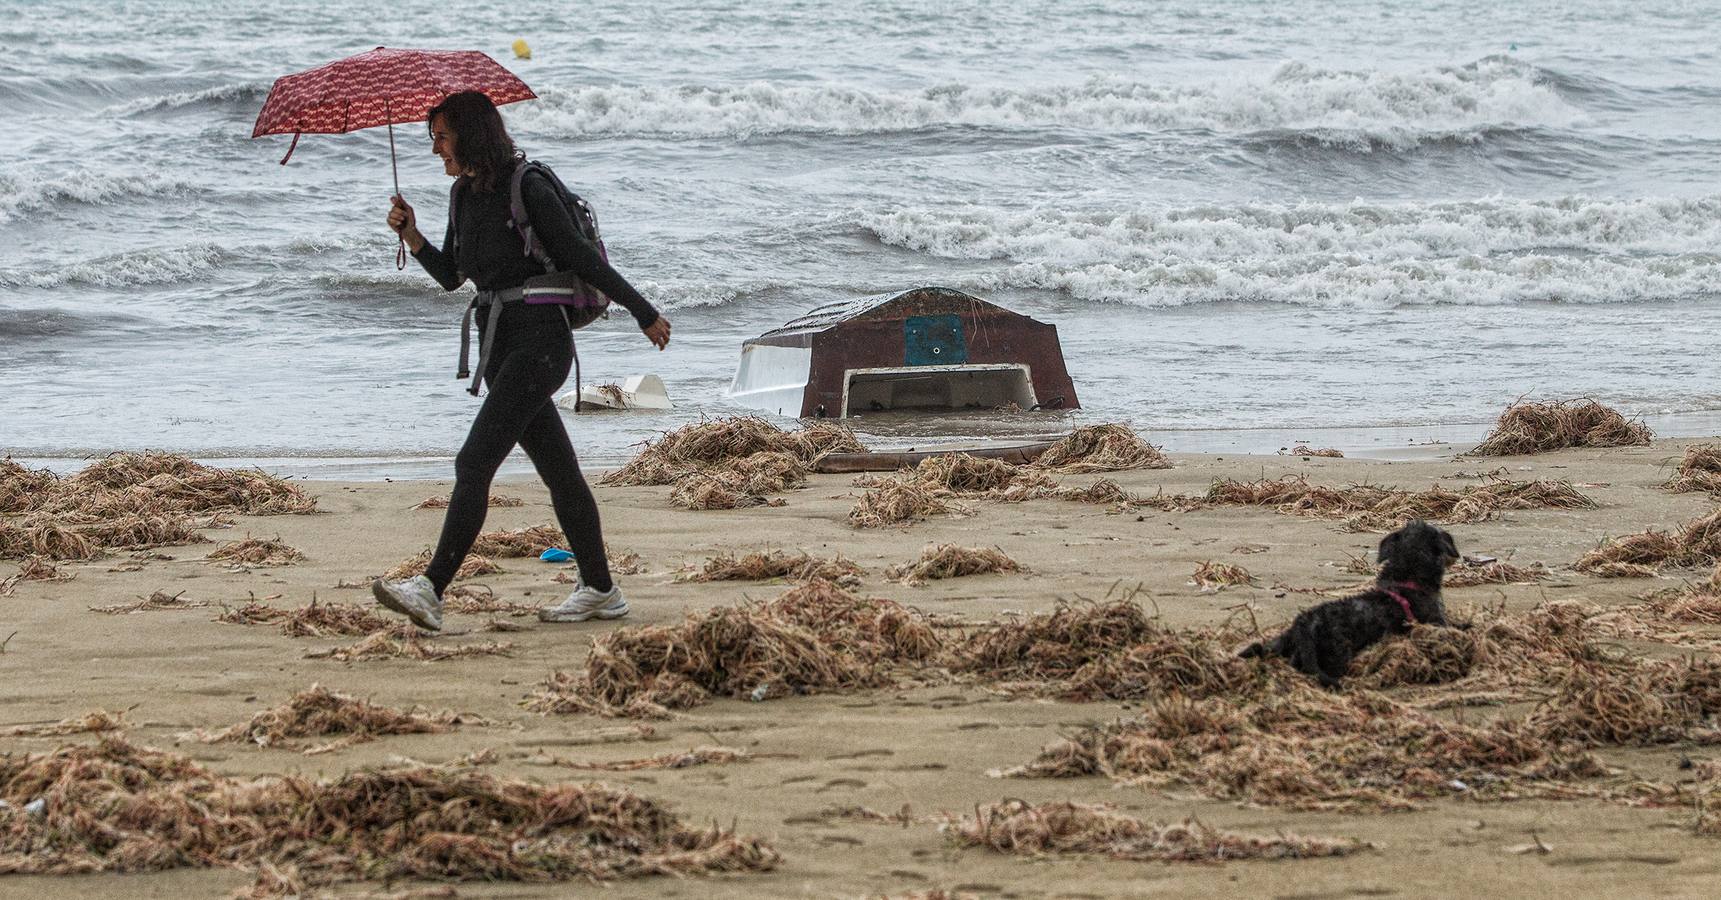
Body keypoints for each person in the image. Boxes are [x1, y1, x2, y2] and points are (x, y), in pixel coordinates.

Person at [371, 90, 670, 631]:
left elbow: (579, 256)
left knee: (472, 463)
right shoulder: (462, 196)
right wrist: (410, 235)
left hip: (541, 346)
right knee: (560, 472)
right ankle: (601, 588)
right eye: (432, 138)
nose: (436, 148)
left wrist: (642, 311)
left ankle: (431, 589)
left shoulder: (526, 185)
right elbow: (454, 276)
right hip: (500, 349)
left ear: (471, 134)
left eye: (441, 136)